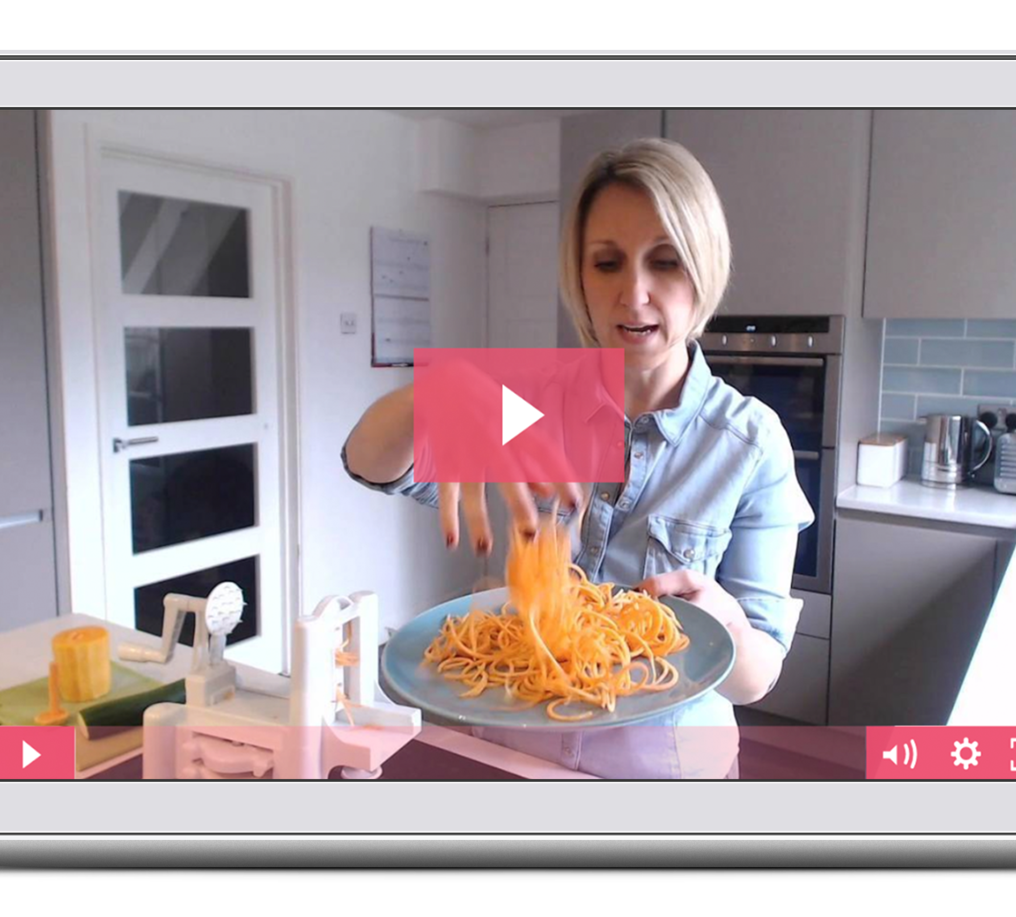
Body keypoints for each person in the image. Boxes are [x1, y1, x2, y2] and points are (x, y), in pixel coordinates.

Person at [341, 138, 815, 778]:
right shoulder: (524, 404)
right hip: (509, 757)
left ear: (703, 269)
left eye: (666, 261)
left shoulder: (751, 442)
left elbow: (758, 678)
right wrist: (435, 393)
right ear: (580, 277)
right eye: (607, 263)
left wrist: (725, 619)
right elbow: (369, 462)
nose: (634, 294)